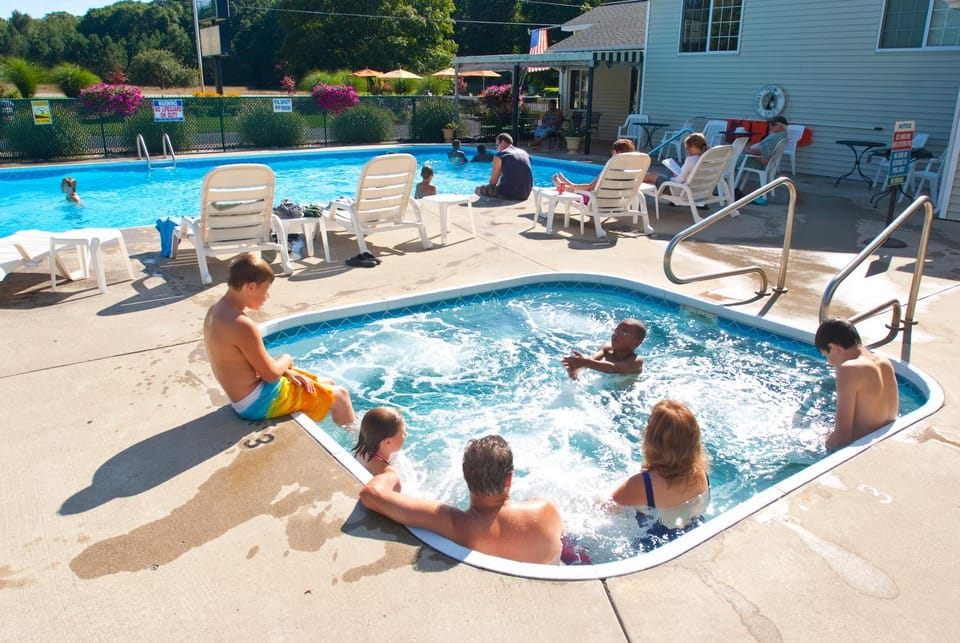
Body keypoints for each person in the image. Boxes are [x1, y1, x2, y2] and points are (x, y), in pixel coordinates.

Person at [359, 434, 564, 564]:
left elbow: (372, 494)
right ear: (509, 478)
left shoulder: (455, 524)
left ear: (466, 476)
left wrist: (390, 472)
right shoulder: (545, 511)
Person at [204, 252, 356, 426]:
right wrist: (286, 359)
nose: (267, 296)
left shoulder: (215, 312)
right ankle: (364, 452)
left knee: (327, 383)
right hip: (257, 402)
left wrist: (287, 371)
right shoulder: (242, 325)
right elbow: (269, 375)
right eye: (266, 289)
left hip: (243, 398)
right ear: (251, 287)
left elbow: (249, 362)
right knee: (340, 395)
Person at [611, 400, 711, 548]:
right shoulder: (701, 473)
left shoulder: (641, 484)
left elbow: (608, 508)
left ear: (652, 440)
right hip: (693, 536)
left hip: (654, 547)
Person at [815, 318, 899, 449]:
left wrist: (822, 442)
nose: (829, 363)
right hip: (886, 438)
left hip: (860, 449)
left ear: (833, 347)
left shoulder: (848, 369)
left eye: (826, 355)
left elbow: (842, 437)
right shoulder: (884, 361)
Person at [562, 318, 647, 381]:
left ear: (636, 343)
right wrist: (577, 367)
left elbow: (615, 368)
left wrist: (585, 362)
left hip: (626, 392)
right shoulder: (607, 348)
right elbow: (592, 359)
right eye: (616, 330)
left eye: (623, 333)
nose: (616, 334)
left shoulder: (636, 361)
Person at [553, 138, 636, 195]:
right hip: (619, 201)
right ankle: (569, 184)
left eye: (612, 152)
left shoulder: (610, 169)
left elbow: (590, 187)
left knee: (576, 191)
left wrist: (573, 187)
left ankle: (563, 186)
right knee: (580, 188)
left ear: (615, 152)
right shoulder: (633, 170)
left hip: (597, 202)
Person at [474, 133, 533, 201]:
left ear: (502, 142)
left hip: (509, 194)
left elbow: (492, 182)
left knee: (478, 189)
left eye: (497, 145)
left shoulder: (500, 155)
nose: (497, 148)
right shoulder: (524, 153)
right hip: (525, 193)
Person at [643, 132, 708, 192]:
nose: (687, 151)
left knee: (652, 176)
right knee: (654, 176)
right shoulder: (706, 159)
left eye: (687, 148)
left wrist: (674, 178)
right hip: (697, 191)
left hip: (678, 190)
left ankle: (636, 187)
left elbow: (680, 180)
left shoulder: (691, 159)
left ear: (693, 147)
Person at [353, 407, 407, 476]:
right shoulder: (383, 470)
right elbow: (398, 486)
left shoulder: (363, 449)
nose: (406, 435)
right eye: (403, 433)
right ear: (388, 442)